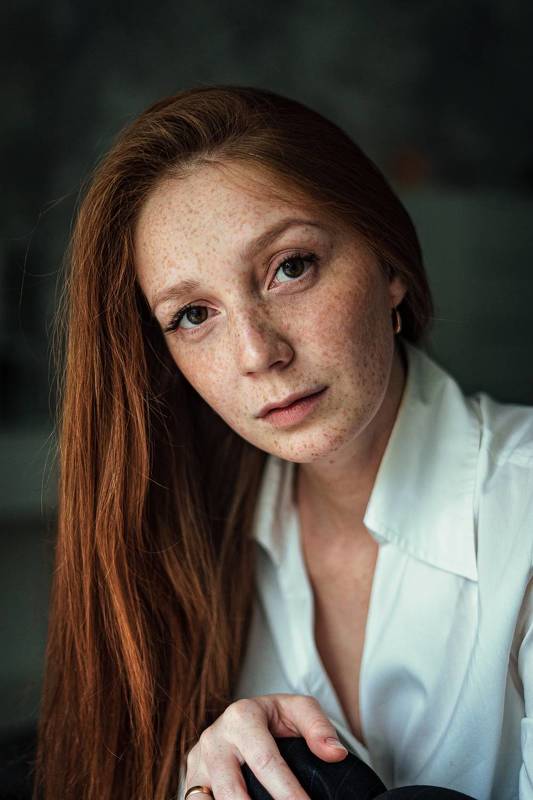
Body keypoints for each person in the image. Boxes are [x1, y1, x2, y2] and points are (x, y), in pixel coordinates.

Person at [33, 86, 532, 800]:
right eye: (194, 315)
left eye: (289, 267)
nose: (257, 353)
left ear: (389, 264)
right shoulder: (182, 541)